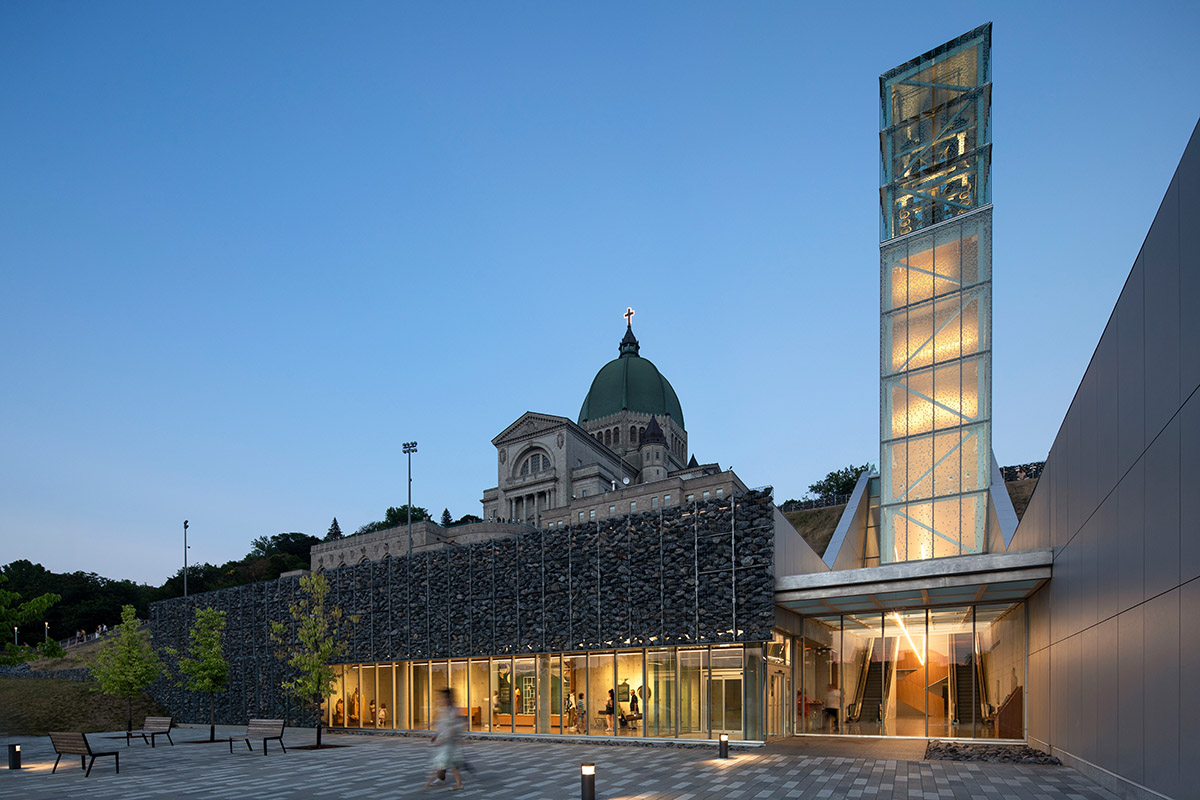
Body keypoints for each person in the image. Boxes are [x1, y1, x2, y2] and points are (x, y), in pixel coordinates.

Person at [424, 688, 465, 791]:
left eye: (444, 698)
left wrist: (443, 740)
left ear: (449, 698)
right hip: (445, 740)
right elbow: (442, 725)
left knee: (441, 761)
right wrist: (436, 734)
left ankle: (427, 784)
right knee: (449, 763)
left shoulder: (454, 711)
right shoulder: (444, 710)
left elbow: (454, 728)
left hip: (449, 742)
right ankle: (454, 782)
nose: (442, 700)